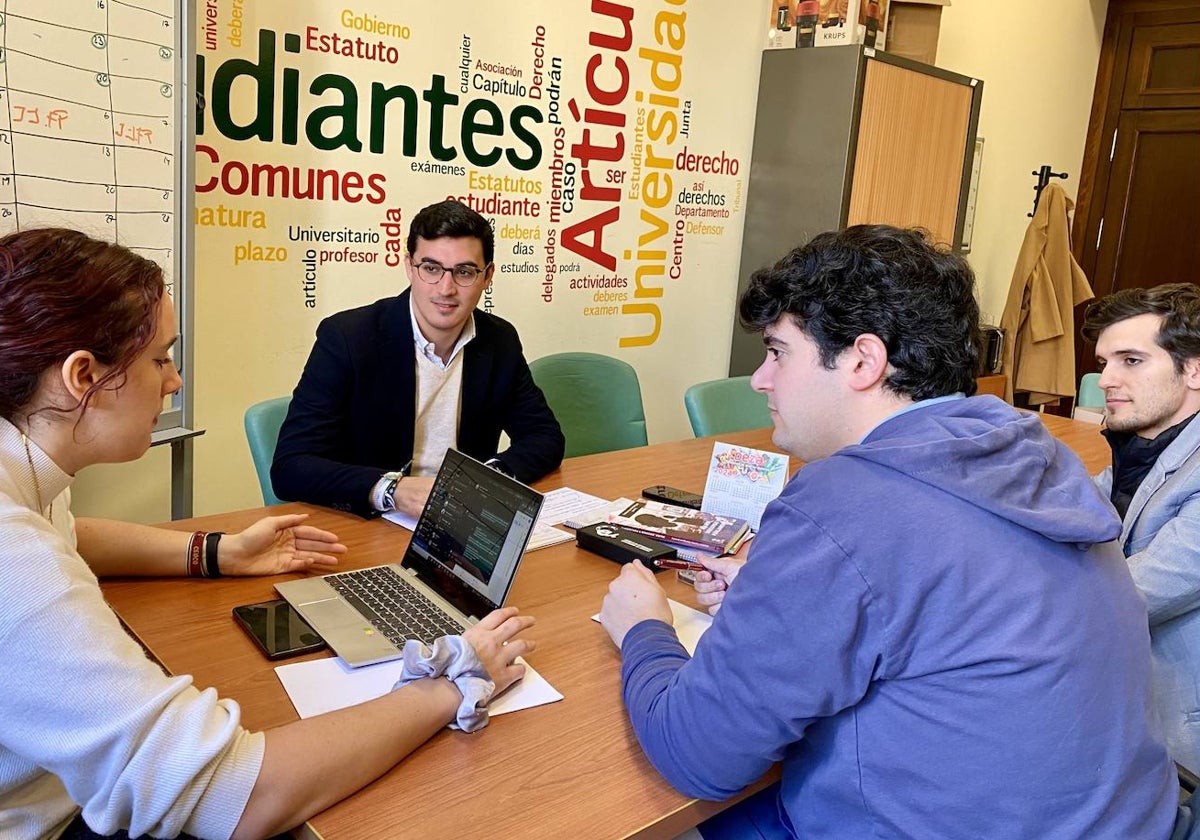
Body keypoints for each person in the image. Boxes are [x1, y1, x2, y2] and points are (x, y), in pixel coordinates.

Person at [598, 225, 1182, 839]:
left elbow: (696, 753)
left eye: (778, 352)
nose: (759, 380)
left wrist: (645, 628)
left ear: (863, 360)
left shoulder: (844, 503)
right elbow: (932, 592)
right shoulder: (1031, 451)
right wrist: (775, 589)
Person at [0, 228, 536, 840]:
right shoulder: (14, 559)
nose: (174, 382)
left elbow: (68, 537)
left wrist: (218, 552)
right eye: (160, 359)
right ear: (80, 375)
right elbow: (229, 795)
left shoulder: (25, 463)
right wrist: (454, 684)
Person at [272, 199, 564, 518]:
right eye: (431, 268)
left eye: (464, 272)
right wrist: (391, 490)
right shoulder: (347, 337)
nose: (446, 288)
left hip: (457, 523)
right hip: (369, 523)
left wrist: (488, 479)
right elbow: (291, 467)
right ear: (410, 267)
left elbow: (545, 437)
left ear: (487, 275)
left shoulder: (498, 339)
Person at [1081, 283, 1200, 774]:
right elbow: (1068, 516)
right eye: (1104, 361)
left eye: (1131, 360)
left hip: (1181, 742)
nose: (1105, 378)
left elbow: (1132, 595)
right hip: (1125, 702)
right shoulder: (1139, 448)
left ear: (1194, 370)